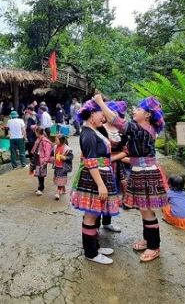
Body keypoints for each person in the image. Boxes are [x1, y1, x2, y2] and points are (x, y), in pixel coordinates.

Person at [95, 94, 167, 263]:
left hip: (145, 172)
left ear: (147, 114)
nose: (134, 110)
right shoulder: (145, 128)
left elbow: (117, 121)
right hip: (141, 170)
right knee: (144, 210)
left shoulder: (141, 128)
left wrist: (100, 103)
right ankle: (149, 241)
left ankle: (154, 246)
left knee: (147, 211)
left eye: (139, 109)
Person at [70, 99, 118, 265]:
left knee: (93, 214)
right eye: (100, 114)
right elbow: (90, 161)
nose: (103, 118)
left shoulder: (94, 131)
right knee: (90, 216)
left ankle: (95, 247)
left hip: (99, 176)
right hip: (94, 179)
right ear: (91, 115)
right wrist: (101, 184)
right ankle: (91, 252)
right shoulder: (88, 134)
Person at [97, 100, 129, 233]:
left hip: (116, 168)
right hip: (99, 165)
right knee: (99, 193)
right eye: (109, 112)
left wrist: (112, 159)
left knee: (112, 194)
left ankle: (107, 222)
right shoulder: (98, 128)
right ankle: (94, 225)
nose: (111, 116)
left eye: (114, 113)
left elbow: (126, 151)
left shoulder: (123, 132)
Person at [30, 127, 53, 196]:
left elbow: (47, 152)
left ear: (37, 133)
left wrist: (45, 160)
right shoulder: (38, 139)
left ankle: (41, 188)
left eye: (35, 133)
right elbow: (35, 147)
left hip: (42, 159)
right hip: (38, 158)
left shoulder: (45, 141)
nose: (35, 134)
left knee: (41, 174)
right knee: (38, 174)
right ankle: (40, 187)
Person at [53, 134, 73, 200]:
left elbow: (71, 157)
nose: (55, 141)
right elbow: (52, 154)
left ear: (61, 141)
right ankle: (63, 189)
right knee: (59, 179)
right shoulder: (55, 147)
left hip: (63, 167)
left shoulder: (67, 149)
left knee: (60, 179)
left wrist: (64, 157)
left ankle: (58, 192)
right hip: (57, 166)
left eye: (56, 140)